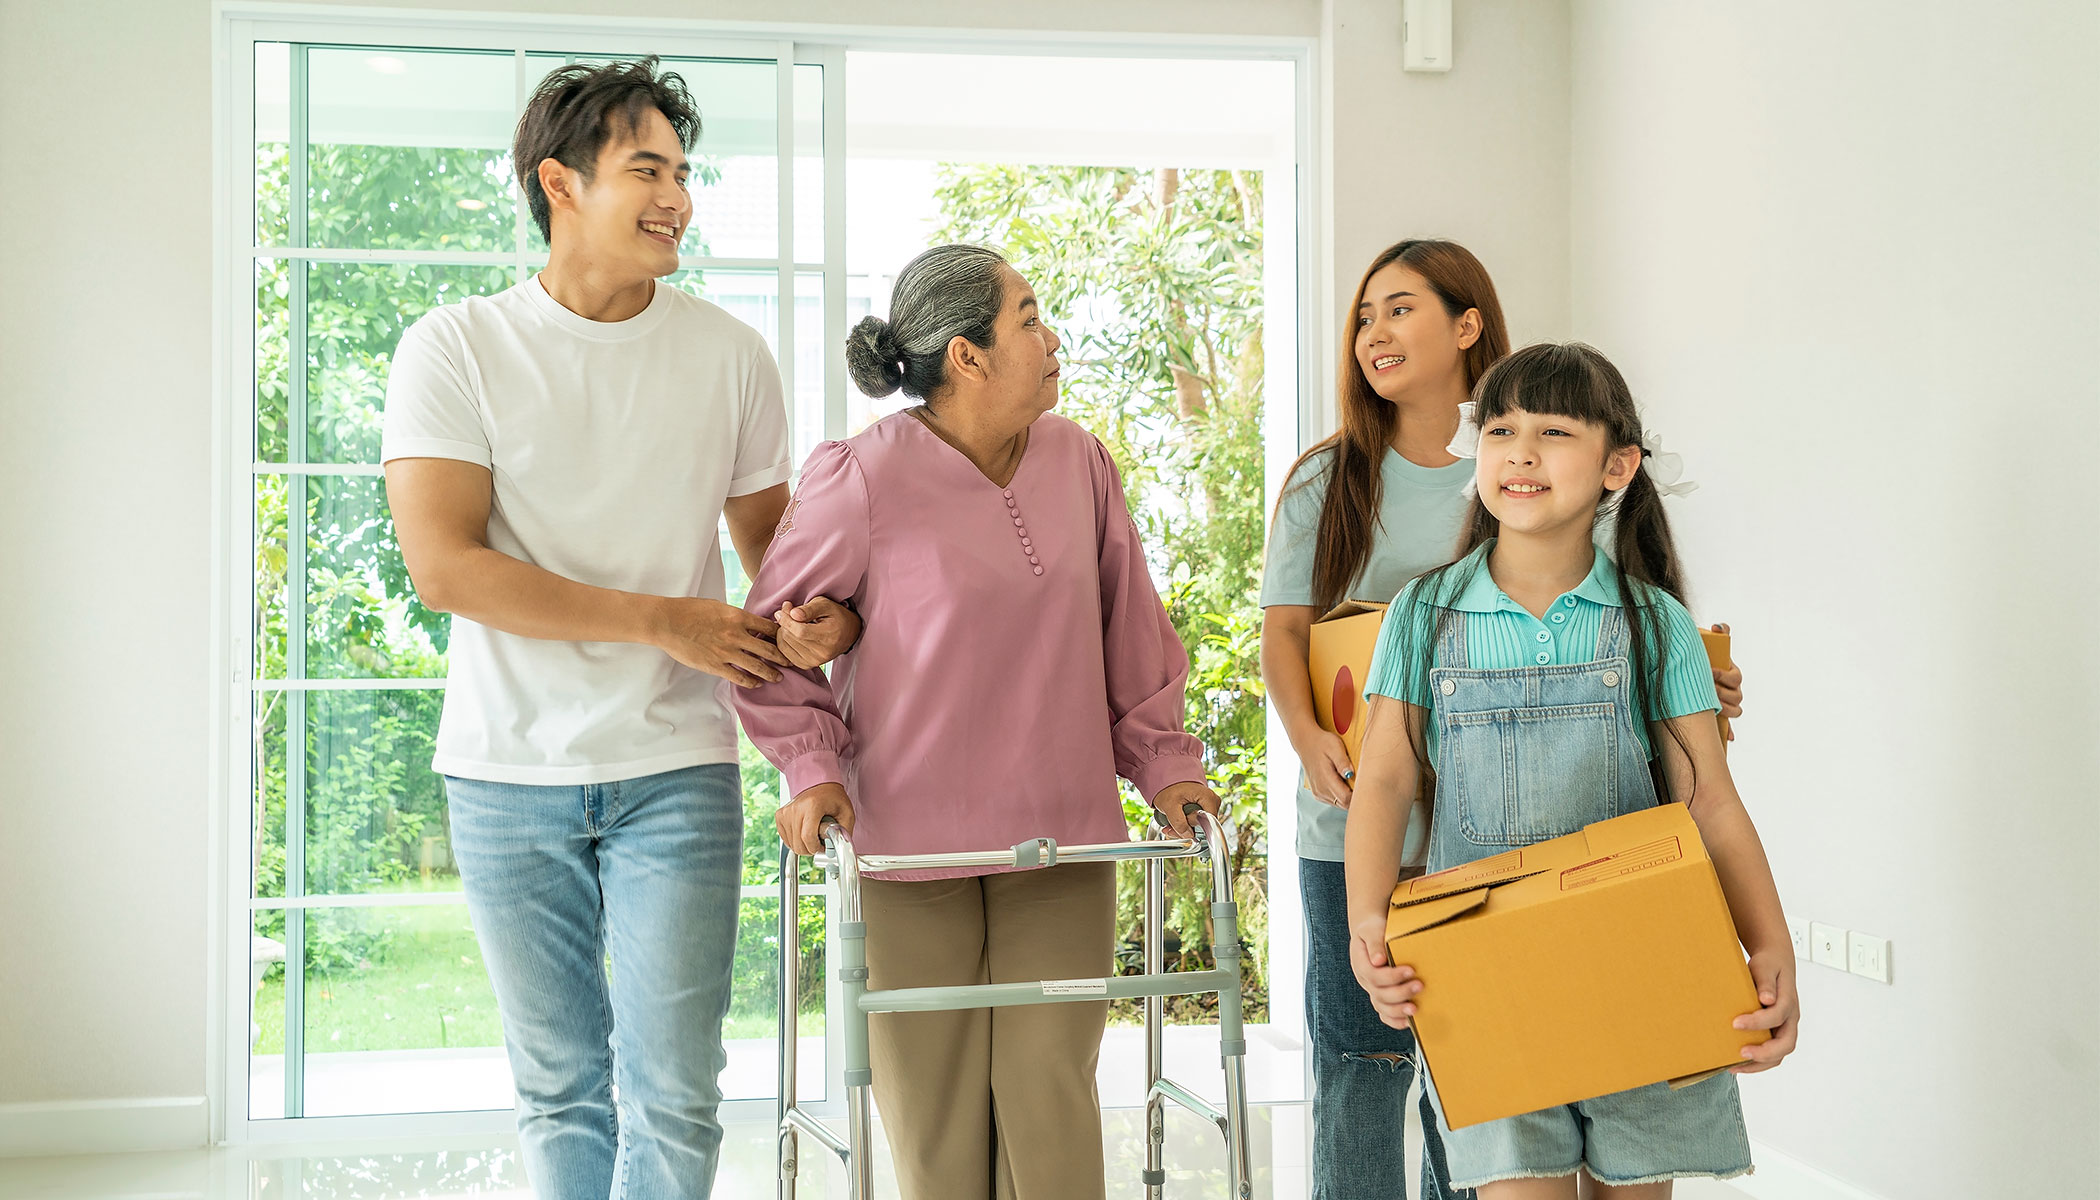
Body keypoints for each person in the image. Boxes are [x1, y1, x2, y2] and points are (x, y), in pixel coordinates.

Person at [381, 57, 855, 1199]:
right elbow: (446, 568)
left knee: (678, 1094)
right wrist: (664, 622)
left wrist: (817, 620)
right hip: (505, 773)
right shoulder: (455, 347)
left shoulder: (730, 355)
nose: (677, 198)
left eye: (684, 173)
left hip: (674, 770)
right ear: (560, 183)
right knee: (560, 1091)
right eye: (647, 169)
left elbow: (775, 564)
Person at [734, 243, 1224, 1200]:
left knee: (1051, 1101)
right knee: (935, 1121)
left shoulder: (1078, 459)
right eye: (1030, 319)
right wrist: (810, 766)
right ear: (967, 356)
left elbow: (1130, 629)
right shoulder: (859, 476)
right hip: (910, 852)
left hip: (1063, 845)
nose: (1052, 339)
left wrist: (1165, 763)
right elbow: (770, 635)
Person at [1261, 240, 1746, 1199]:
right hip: (1372, 811)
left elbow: (1630, 627)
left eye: (1398, 308)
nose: (1373, 333)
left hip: (1567, 852)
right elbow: (1287, 637)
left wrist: (1699, 687)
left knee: (1530, 1084)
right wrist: (1314, 743)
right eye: (1363, 316)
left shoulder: (1568, 497)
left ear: (1466, 322)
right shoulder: (1337, 483)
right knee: (1375, 1056)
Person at [1343, 343, 1800, 1198]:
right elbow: (1386, 782)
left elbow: (1713, 805)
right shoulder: (1422, 614)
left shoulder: (1654, 623)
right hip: (1485, 980)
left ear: (1617, 465)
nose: (1520, 451)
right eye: (1502, 428)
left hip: (1645, 966)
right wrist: (1367, 918)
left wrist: (1770, 945)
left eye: (1554, 431)